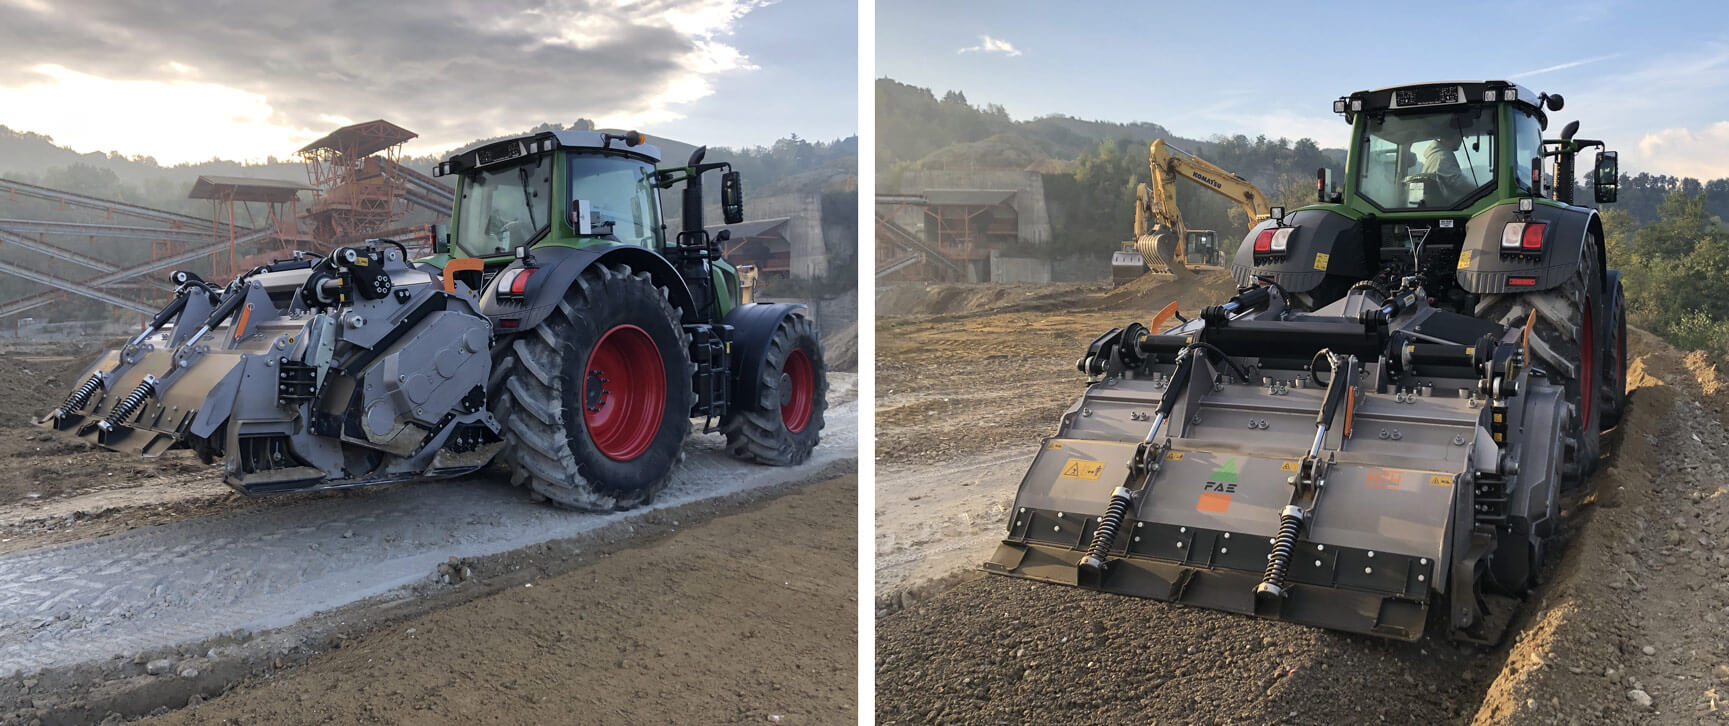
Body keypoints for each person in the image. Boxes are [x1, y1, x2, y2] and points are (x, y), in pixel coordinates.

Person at [1418, 129, 1471, 200]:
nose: (1461, 140)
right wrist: (1481, 192)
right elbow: (1461, 184)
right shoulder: (1443, 157)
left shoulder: (1435, 155)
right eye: (1461, 136)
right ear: (1455, 136)